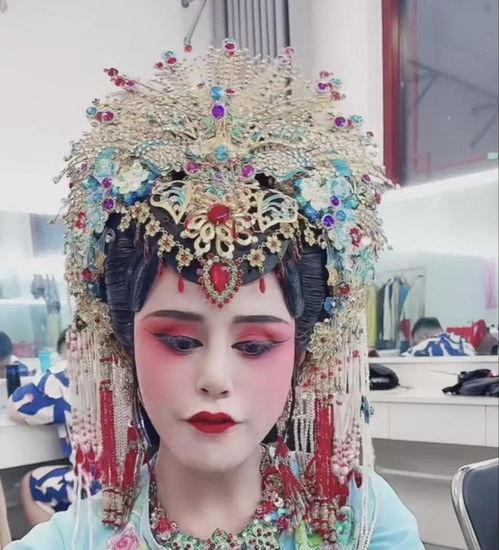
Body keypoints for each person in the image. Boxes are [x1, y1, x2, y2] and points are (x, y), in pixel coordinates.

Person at [7, 40, 424, 548]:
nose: (215, 379)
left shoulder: (364, 523)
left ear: (304, 353)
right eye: (180, 342)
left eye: (255, 345)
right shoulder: (70, 543)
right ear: (123, 342)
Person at [6, 330, 101, 526]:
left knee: (32, 483)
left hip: (98, 484)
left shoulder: (65, 375)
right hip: (141, 477)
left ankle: (62, 539)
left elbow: (15, 407)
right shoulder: (129, 362)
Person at [403, 317, 476, 357]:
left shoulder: (423, 347)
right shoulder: (465, 344)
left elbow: (400, 365)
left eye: (415, 343)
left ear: (422, 339)